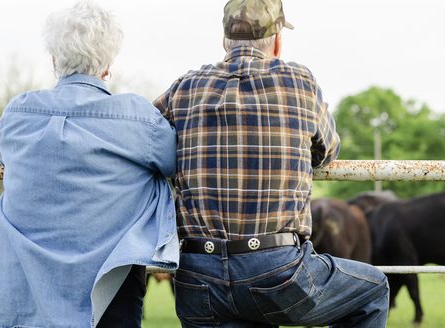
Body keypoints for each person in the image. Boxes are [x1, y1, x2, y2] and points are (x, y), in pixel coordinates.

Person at [153, 0, 389, 327]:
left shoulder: (186, 87)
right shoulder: (299, 82)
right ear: (277, 39)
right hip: (276, 272)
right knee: (373, 289)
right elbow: (327, 150)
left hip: (198, 276)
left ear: (225, 41)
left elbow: (148, 140)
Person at [0, 1, 179, 327]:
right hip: (111, 294)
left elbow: (8, 156)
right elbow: (172, 162)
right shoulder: (138, 118)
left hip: (25, 288)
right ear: (108, 65)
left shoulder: (18, 114)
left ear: (54, 60)